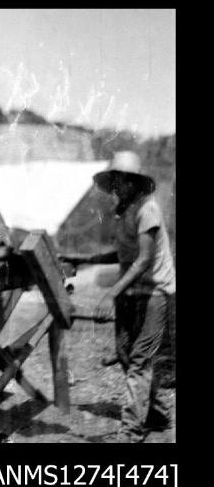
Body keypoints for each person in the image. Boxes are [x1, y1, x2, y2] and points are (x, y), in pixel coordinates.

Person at [60, 151, 175, 443]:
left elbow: (144, 260)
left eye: (124, 181)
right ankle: (159, 414)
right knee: (125, 353)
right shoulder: (122, 212)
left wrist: (110, 294)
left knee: (138, 360)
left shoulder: (147, 209)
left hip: (154, 291)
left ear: (135, 184)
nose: (118, 187)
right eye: (115, 181)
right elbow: (123, 254)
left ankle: (130, 433)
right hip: (130, 291)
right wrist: (82, 258)